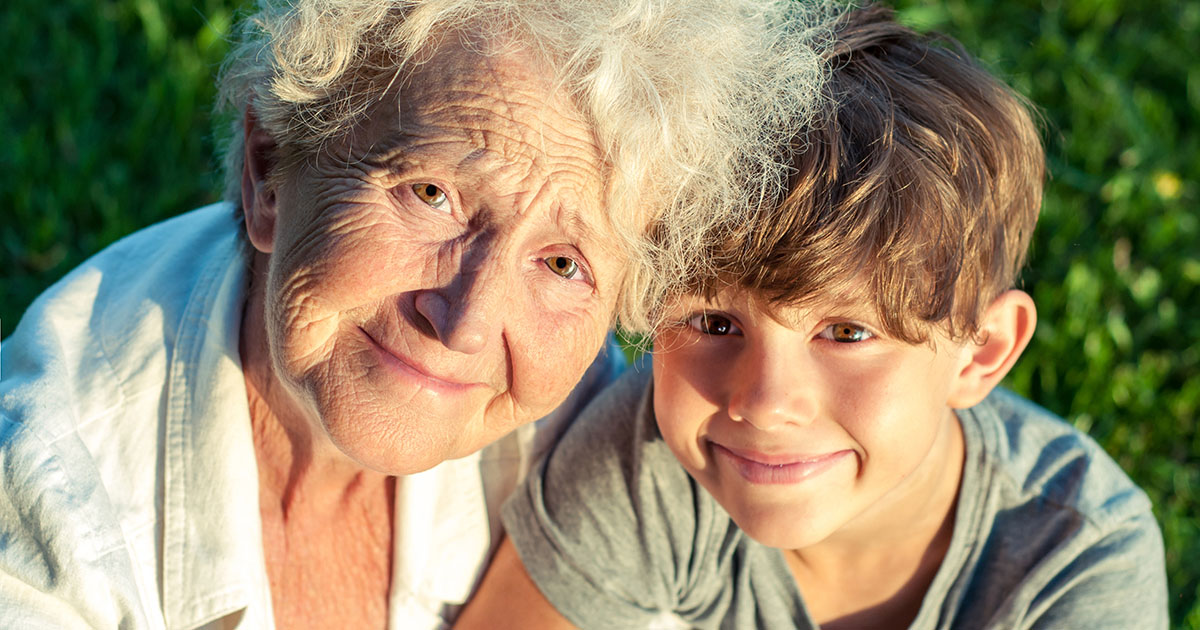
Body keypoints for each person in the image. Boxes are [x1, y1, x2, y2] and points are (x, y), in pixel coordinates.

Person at [0, 1, 836, 628]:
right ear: (268, 170)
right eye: (432, 194)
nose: (466, 321)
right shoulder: (51, 494)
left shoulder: (592, 442)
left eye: (561, 264)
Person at [454, 6, 1170, 629]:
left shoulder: (1076, 559)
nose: (763, 405)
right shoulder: (648, 469)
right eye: (712, 323)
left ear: (980, 351)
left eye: (847, 333)